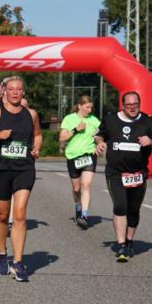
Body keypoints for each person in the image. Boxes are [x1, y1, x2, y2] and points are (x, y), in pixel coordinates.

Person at [0, 77, 41, 282]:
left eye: (18, 89)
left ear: (23, 92)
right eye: (11, 89)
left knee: (20, 214)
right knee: (3, 215)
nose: (15, 93)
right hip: (1, 169)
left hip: (24, 168)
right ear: (4, 91)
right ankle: (2, 254)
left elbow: (37, 135)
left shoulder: (31, 114)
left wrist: (36, 147)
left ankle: (18, 262)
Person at [94, 91, 152, 263]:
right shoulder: (111, 119)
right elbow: (98, 135)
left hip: (138, 173)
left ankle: (129, 240)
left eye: (135, 105)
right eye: (128, 105)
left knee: (133, 210)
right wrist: (100, 142)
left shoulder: (149, 122)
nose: (132, 108)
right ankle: (121, 245)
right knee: (120, 206)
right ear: (122, 105)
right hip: (115, 172)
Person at [59, 95, 101, 229]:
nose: (89, 110)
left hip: (89, 155)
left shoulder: (94, 120)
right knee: (76, 188)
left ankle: (84, 215)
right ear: (79, 106)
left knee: (86, 185)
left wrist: (99, 143)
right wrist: (76, 129)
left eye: (91, 108)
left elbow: (100, 135)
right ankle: (78, 205)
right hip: (73, 156)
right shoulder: (69, 119)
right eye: (87, 107)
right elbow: (62, 138)